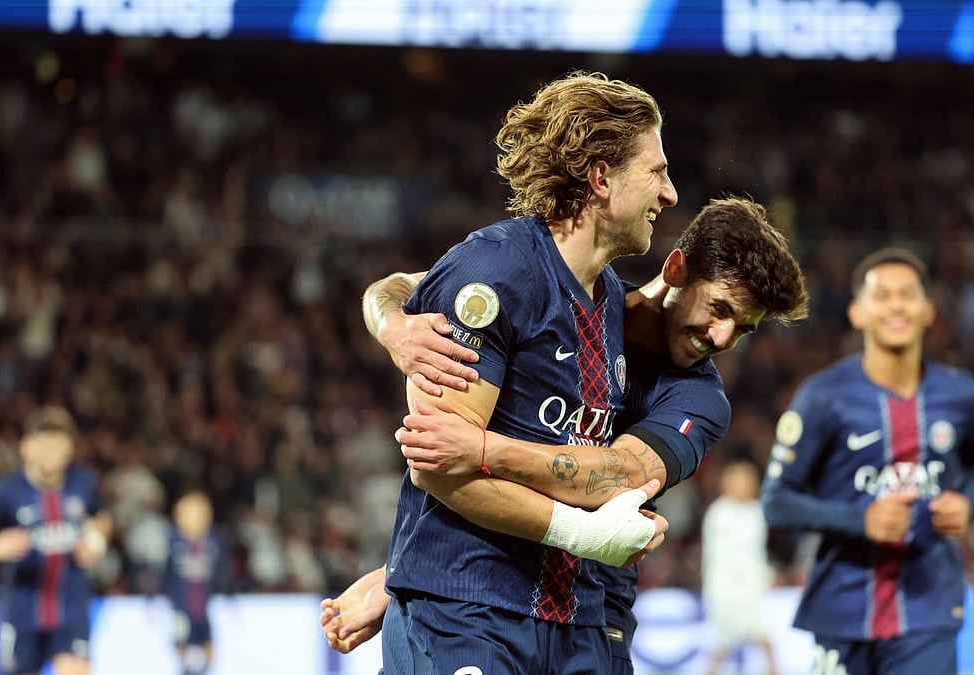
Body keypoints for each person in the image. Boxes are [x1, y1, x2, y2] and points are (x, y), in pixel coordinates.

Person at [323, 195, 810, 675]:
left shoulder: (699, 399)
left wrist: (485, 449)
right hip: (478, 592)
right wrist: (392, 325)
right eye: (719, 309)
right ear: (677, 268)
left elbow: (617, 476)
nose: (722, 338)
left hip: (595, 617)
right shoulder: (575, 297)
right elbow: (407, 285)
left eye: (743, 330)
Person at [334, 69, 679, 674]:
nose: (670, 193)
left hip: (571, 618)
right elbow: (441, 469)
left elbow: (405, 284)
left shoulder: (609, 303)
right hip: (466, 614)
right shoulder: (498, 270)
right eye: (657, 171)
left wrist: (386, 312)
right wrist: (582, 533)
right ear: (601, 178)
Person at [760, 246, 974, 675]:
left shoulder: (961, 395)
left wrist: (967, 503)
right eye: (882, 295)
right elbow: (776, 502)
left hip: (930, 606)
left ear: (928, 311)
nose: (896, 305)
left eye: (907, 294)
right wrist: (860, 520)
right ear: (857, 312)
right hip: (844, 608)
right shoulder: (822, 396)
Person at [0, 405, 111, 675]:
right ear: (26, 446)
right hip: (22, 613)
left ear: (69, 450)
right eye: (45, 445)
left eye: (59, 446)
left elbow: (102, 518)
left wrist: (97, 542)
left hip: (72, 611)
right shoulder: (3, 491)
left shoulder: (83, 484)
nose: (52, 454)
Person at [701, 459, 779, 675]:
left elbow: (757, 553)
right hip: (726, 588)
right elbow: (720, 557)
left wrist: (765, 575)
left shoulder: (757, 512)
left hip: (752, 589)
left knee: (764, 639)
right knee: (721, 645)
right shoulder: (719, 513)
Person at [161, 489, 228, 675]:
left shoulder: (213, 541)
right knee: (181, 644)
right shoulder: (173, 541)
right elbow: (164, 573)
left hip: (203, 606)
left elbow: (223, 571)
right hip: (180, 607)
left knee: (208, 645)